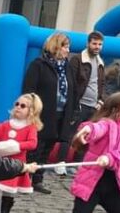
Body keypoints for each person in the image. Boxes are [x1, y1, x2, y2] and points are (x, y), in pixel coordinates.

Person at [23, 32, 78, 191]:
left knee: (48, 147)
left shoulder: (67, 67)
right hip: (42, 113)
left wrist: (74, 109)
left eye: (68, 47)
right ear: (55, 47)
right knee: (36, 147)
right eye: (65, 46)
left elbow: (72, 89)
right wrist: (31, 109)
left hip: (61, 113)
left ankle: (38, 179)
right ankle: (26, 177)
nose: (68, 50)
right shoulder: (39, 64)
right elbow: (29, 89)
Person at [0, 93, 42, 213]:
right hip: (1, 161)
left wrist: (16, 146)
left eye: (23, 106)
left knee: (9, 191)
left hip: (17, 163)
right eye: (17, 104)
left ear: (31, 111)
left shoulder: (30, 127)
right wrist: (1, 147)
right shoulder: (5, 125)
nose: (18, 107)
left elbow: (32, 143)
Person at [68, 31, 106, 128]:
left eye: (100, 44)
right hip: (79, 106)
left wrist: (101, 101)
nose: (97, 46)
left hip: (94, 108)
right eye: (94, 43)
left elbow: (101, 83)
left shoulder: (100, 62)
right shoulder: (77, 60)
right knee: (72, 136)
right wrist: (75, 105)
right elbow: (71, 83)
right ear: (87, 44)